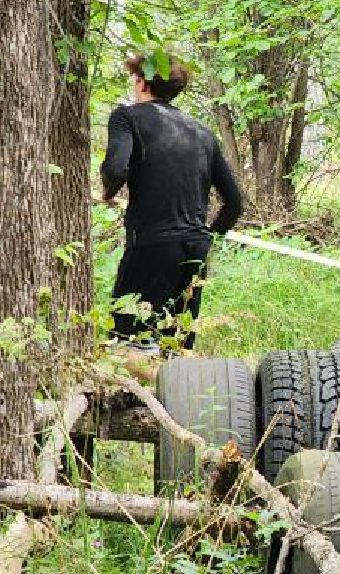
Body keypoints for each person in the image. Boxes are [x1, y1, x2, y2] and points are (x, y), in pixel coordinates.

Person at [99, 53, 244, 354]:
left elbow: (116, 168)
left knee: (127, 342)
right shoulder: (202, 133)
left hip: (151, 246)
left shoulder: (127, 116)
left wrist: (108, 192)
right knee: (177, 346)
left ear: (141, 82)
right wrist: (208, 239)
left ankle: (133, 398)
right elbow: (234, 203)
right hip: (195, 250)